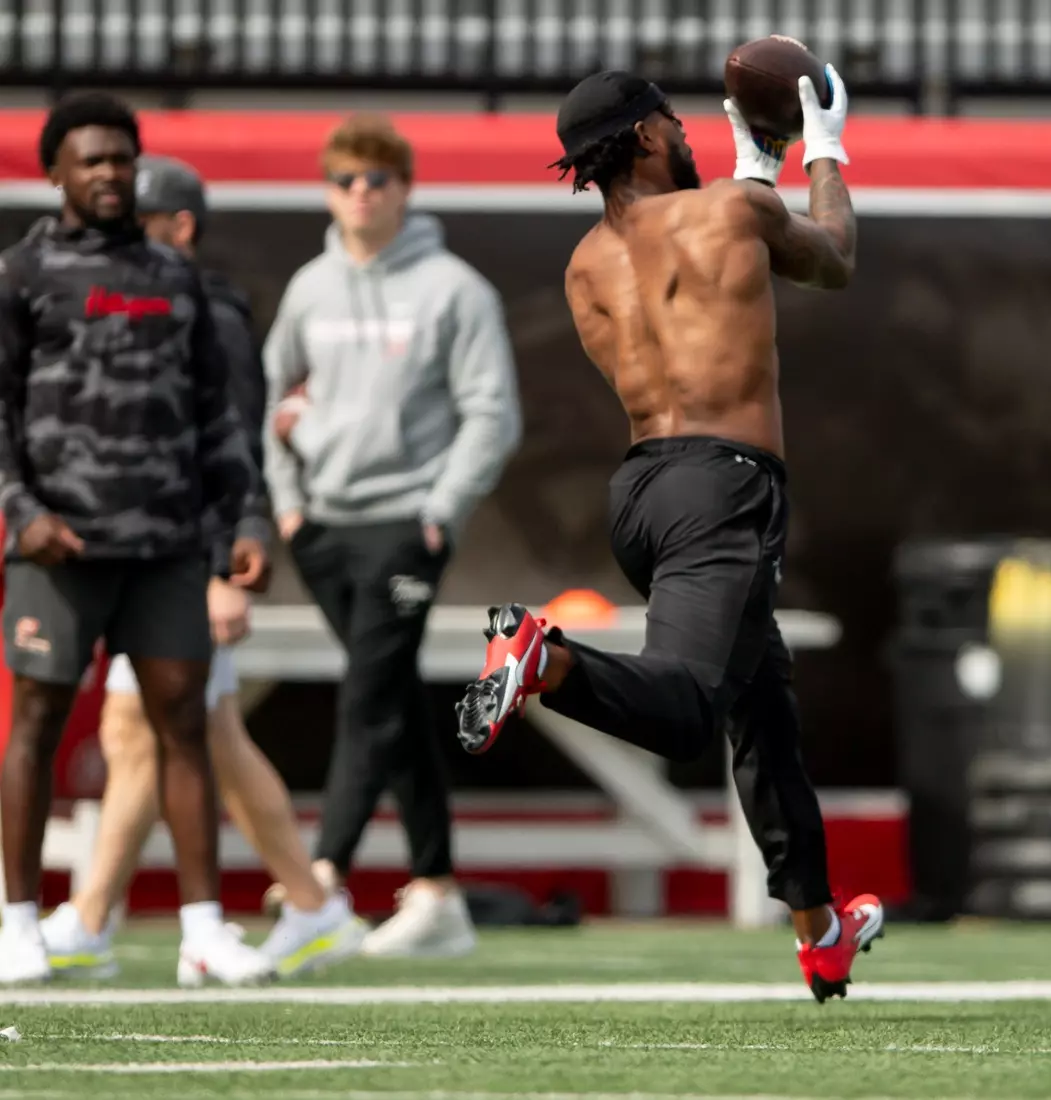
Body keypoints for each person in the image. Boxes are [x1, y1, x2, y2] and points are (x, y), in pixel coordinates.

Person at [454, 67, 884, 1003]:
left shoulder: (584, 266)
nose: (690, 134)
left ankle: (820, 931)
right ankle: (543, 658)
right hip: (723, 487)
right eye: (676, 124)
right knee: (687, 709)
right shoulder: (732, 210)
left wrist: (752, 168)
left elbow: (709, 282)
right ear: (648, 136)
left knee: (761, 711)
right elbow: (833, 257)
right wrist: (822, 151)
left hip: (642, 494)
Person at [37, 155, 368, 981]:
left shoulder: (204, 314)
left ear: (179, 227)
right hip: (156, 558)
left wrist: (224, 563)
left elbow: (234, 446)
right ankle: (296, 904)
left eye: (137, 221)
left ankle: (98, 920)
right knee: (172, 731)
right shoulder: (144, 304)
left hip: (185, 562)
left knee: (171, 729)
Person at [0, 93, 275, 985]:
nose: (110, 174)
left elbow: (217, 416)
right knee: (35, 725)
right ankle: (17, 925)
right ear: (56, 172)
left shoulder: (175, 277)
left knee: (183, 727)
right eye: (91, 160)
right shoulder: (21, 274)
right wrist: (22, 513)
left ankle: (204, 932)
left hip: (167, 547)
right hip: (60, 547)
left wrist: (244, 520)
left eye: (122, 159)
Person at [262, 113, 522, 958]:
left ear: (405, 188)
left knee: (368, 694)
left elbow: (493, 414)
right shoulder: (310, 288)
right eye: (345, 180)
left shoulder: (455, 290)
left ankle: (321, 876)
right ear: (327, 192)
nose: (361, 194)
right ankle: (438, 890)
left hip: (406, 526)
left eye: (377, 180)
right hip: (321, 527)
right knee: (394, 696)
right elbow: (271, 399)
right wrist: (289, 506)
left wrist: (440, 511)